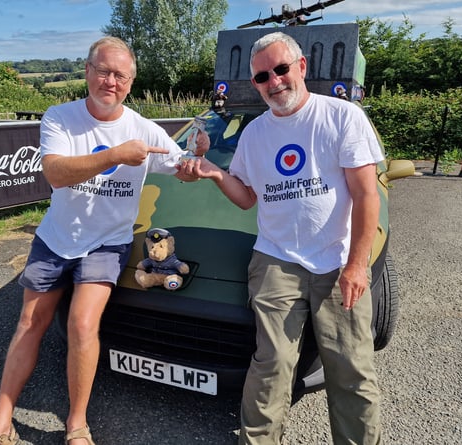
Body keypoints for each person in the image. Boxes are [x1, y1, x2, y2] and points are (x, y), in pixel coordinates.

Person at [0, 36, 207, 445]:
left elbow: (182, 168)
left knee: (83, 326)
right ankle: (2, 417)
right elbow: (55, 173)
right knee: (30, 323)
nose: (111, 81)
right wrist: (115, 155)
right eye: (103, 70)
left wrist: (194, 162)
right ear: (87, 71)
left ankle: (77, 424)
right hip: (55, 238)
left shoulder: (143, 128)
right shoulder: (60, 117)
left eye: (120, 75)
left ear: (131, 83)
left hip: (106, 243)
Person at [178, 32, 384, 444]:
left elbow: (366, 195)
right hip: (275, 260)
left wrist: (358, 265)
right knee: (271, 366)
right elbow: (247, 198)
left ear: (301, 67)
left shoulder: (342, 116)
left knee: (350, 369)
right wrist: (216, 174)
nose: (273, 82)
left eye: (281, 69)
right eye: (261, 77)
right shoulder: (255, 134)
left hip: (335, 260)